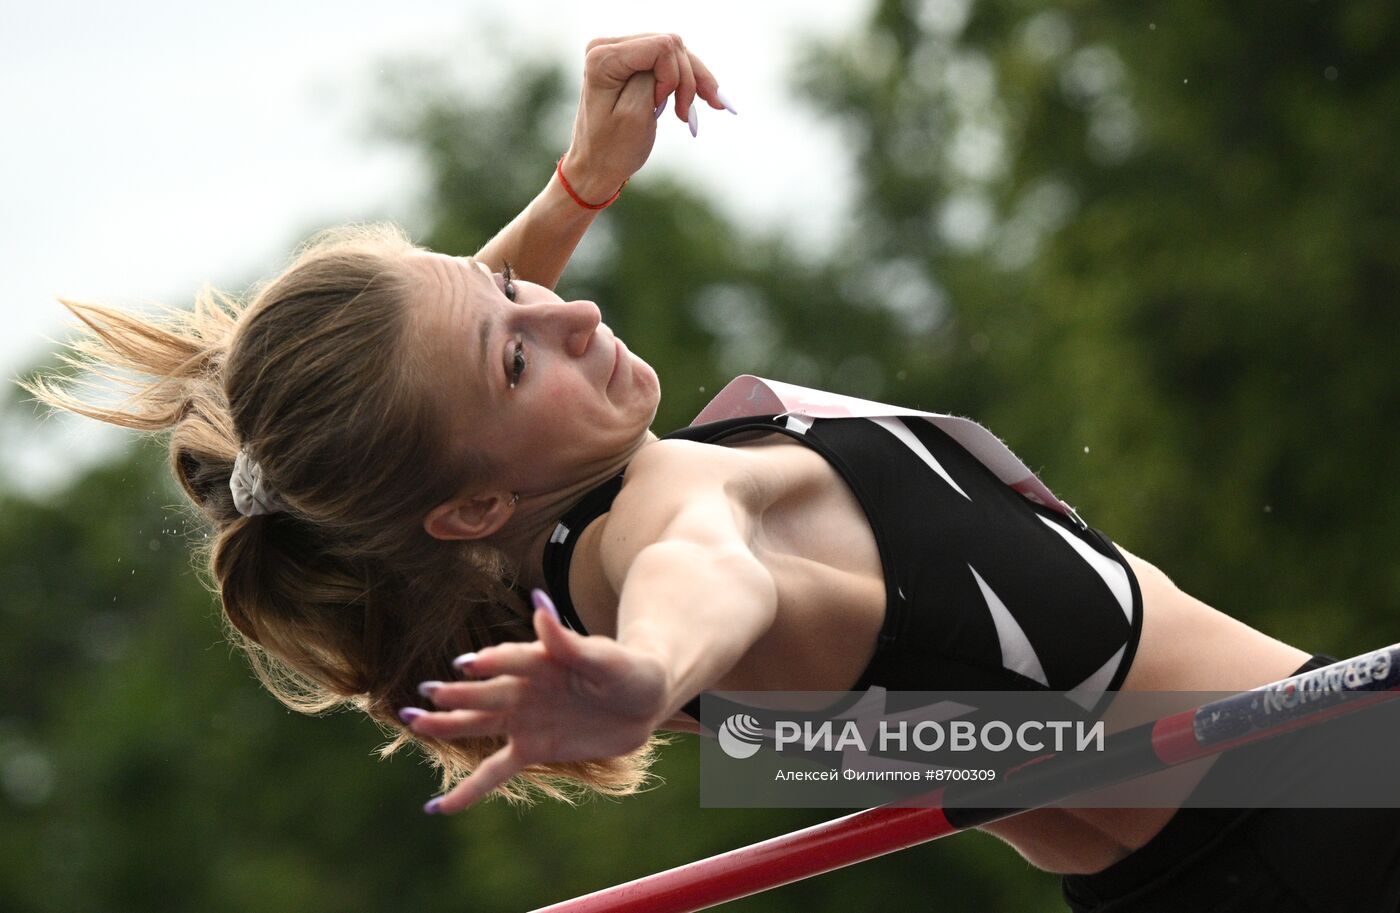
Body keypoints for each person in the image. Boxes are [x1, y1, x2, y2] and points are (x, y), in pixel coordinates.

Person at [25, 33, 1400, 913]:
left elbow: (451, 352)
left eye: (518, 288)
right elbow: (708, 574)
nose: (564, 315)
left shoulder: (517, 547)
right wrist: (645, 677)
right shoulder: (662, 527)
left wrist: (576, 188)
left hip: (1204, 866)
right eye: (520, 358)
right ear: (470, 501)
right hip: (1333, 800)